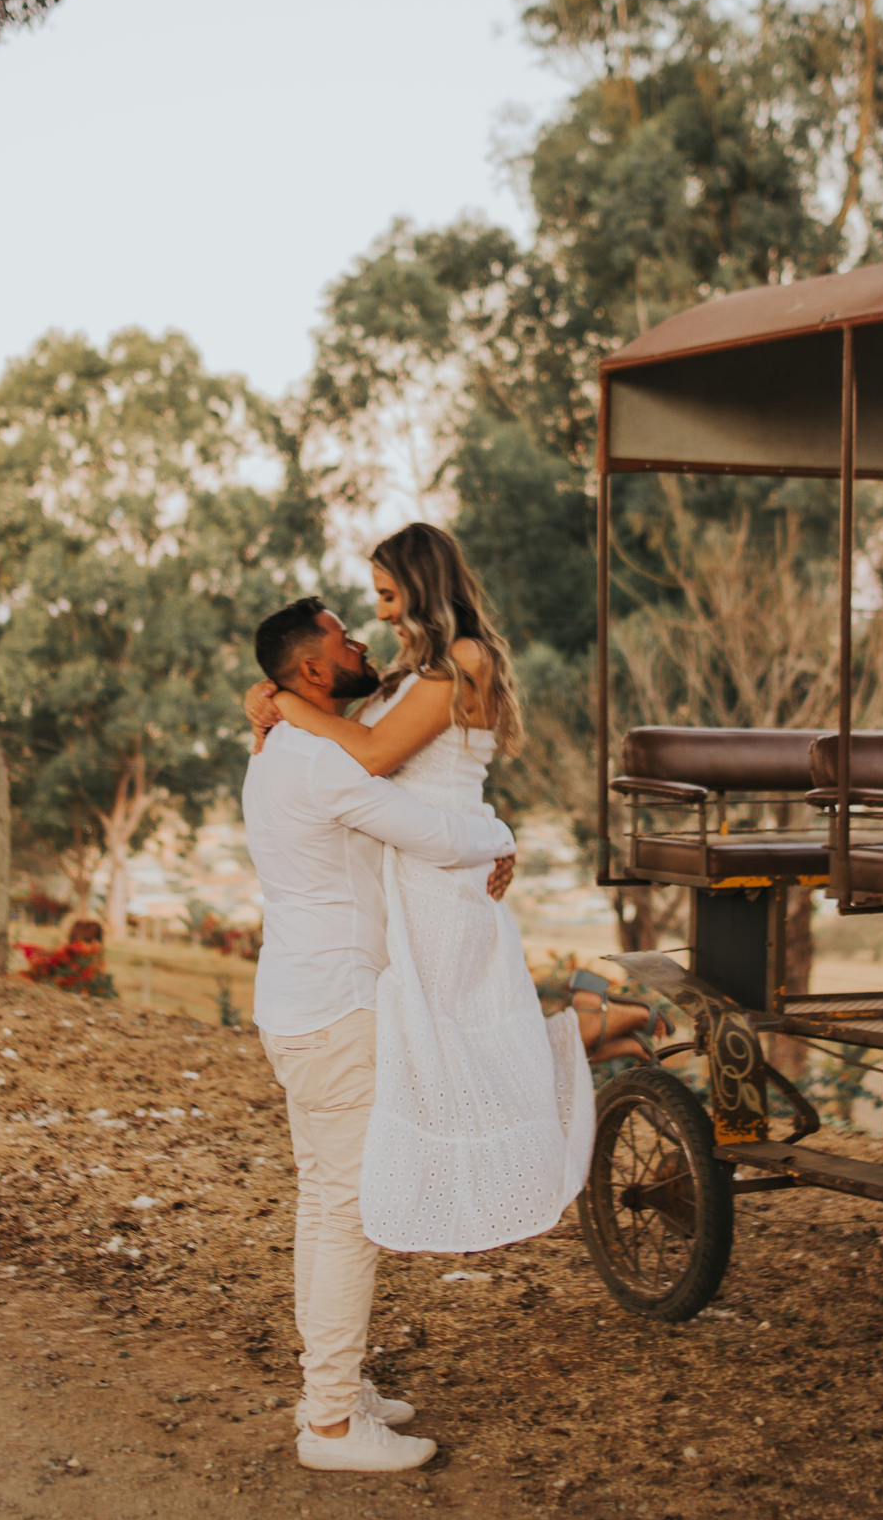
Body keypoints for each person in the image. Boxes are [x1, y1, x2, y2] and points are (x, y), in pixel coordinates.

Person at [247, 522, 640, 1261]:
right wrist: (267, 694)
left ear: (423, 585)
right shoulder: (411, 671)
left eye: (390, 596)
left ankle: (617, 1020)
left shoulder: (465, 658)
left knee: (462, 1044)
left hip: (447, 875)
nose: (384, 614)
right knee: (447, 1043)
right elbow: (351, 732)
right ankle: (612, 1029)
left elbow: (368, 753)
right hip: (424, 866)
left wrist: (288, 706)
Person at [242, 594, 516, 1475]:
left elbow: (382, 736)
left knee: (327, 1202)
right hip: (334, 1013)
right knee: (344, 1212)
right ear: (315, 670)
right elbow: (430, 833)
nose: (362, 641)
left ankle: (334, 1390)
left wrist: (272, 698)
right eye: (343, 638)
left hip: (303, 1004)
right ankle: (328, 1424)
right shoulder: (320, 764)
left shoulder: (292, 744)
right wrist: (498, 831)